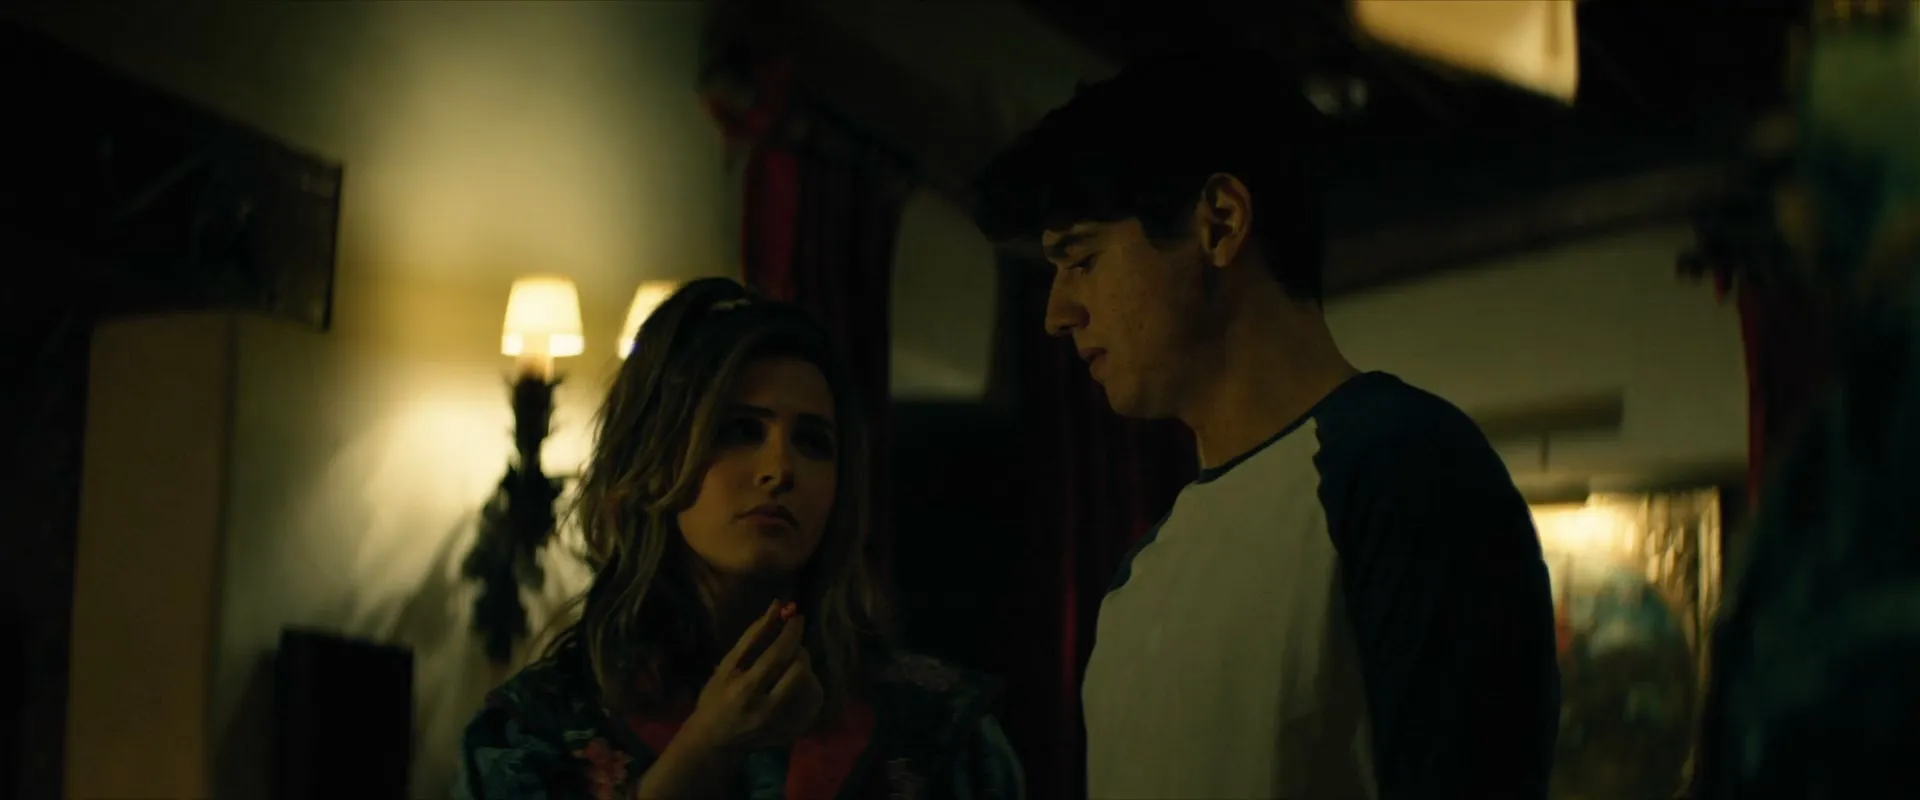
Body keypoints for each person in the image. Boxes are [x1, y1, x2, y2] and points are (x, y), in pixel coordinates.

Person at [970, 50, 1561, 799]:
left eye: (1081, 260)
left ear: (1220, 223)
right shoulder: (1139, 576)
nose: (1057, 314)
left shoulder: (1403, 473)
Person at [456, 278, 1023, 800]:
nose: (780, 469)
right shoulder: (533, 734)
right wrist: (708, 747)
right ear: (655, 461)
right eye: (740, 431)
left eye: (813, 442)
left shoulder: (943, 734)